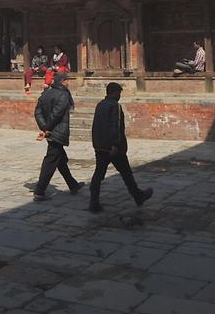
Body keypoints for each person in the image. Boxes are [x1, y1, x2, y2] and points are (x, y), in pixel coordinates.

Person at [88, 82, 153, 213]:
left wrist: (97, 144)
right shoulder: (115, 106)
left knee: (98, 174)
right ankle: (138, 196)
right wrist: (115, 144)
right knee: (126, 173)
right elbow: (115, 127)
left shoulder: (100, 105)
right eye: (119, 93)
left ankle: (93, 202)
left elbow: (96, 126)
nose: (119, 96)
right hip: (113, 148)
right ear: (115, 92)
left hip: (100, 146)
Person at [32, 71, 83, 201]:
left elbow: (37, 112)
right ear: (62, 81)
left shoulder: (46, 93)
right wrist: (47, 128)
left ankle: (73, 184)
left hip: (50, 130)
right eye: (67, 81)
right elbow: (57, 114)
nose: (68, 83)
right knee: (51, 160)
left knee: (60, 159)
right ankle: (40, 190)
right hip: (57, 131)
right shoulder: (63, 95)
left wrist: (43, 127)